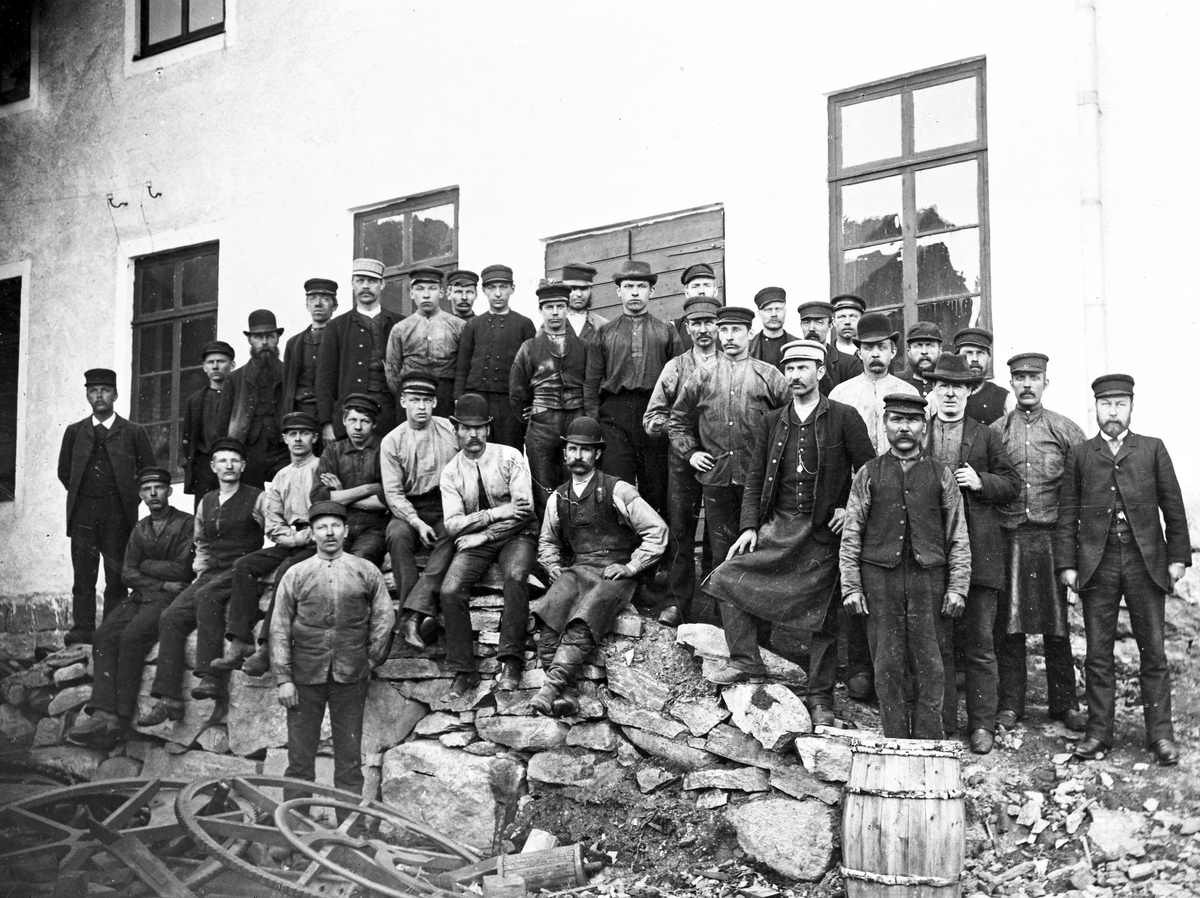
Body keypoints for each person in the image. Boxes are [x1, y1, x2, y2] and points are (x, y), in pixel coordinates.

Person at [702, 340, 874, 726]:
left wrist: (848, 508)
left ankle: (820, 696)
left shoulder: (844, 417)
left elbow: (870, 473)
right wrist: (749, 527)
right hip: (778, 527)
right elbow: (754, 477)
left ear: (821, 372)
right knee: (725, 577)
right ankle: (747, 660)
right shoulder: (773, 421)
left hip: (822, 534)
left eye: (803, 367)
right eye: (790, 368)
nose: (795, 376)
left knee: (824, 616)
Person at [1057, 374, 1189, 766]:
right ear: (1095, 408)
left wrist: (1177, 558)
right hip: (1097, 565)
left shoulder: (1151, 449)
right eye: (1106, 405)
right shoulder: (1081, 454)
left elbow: (1173, 506)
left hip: (1144, 562)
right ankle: (1099, 733)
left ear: (1131, 407)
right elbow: (1067, 514)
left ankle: (1160, 735)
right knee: (1097, 654)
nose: (1112, 412)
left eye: (1120, 404)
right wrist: (1067, 564)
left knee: (1154, 652)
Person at [840, 394, 971, 739]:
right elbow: (851, 533)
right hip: (879, 581)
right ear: (884, 425)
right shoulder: (868, 473)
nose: (904, 428)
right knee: (886, 665)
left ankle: (928, 741)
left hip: (929, 581)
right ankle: (896, 740)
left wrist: (958, 587)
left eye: (912, 421)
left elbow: (958, 535)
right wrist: (851, 586)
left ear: (923, 427)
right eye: (896, 420)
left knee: (931, 663)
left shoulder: (941, 474)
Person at [530, 417, 667, 716]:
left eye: (586, 450)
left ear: (598, 454)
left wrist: (632, 566)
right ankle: (566, 695)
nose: (578, 456)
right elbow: (547, 541)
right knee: (549, 622)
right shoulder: (558, 497)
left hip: (612, 573)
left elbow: (657, 531)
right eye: (572, 449)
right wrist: (552, 566)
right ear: (564, 453)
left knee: (582, 622)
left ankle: (549, 689)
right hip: (579, 570)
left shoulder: (618, 490)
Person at [924, 352, 1020, 754]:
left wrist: (981, 482)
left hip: (979, 554)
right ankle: (943, 721)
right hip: (931, 553)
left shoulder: (986, 436)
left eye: (958, 387)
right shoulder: (920, 433)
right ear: (933, 390)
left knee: (980, 644)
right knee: (938, 644)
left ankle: (981, 725)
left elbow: (1012, 484)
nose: (950, 393)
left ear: (969, 391)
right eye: (943, 385)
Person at [991, 353, 1087, 732]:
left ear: (1046, 382)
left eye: (1034, 377)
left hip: (1051, 539)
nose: (1027, 384)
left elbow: (1084, 486)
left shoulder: (1066, 430)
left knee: (1057, 626)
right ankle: (1010, 704)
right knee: (1009, 625)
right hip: (1010, 538)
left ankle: (1065, 704)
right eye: (1020, 378)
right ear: (1011, 383)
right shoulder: (997, 432)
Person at [139, 438, 266, 724]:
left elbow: (272, 533)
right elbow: (202, 543)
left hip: (242, 570)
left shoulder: (257, 497)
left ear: (243, 466)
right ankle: (169, 699)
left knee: (207, 596)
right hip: (211, 572)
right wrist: (200, 572)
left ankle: (211, 677)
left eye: (235, 460)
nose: (229, 466)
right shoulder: (207, 501)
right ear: (213, 466)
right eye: (222, 460)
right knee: (171, 616)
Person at [272, 501, 394, 797]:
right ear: (312, 533)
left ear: (346, 531)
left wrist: (370, 661)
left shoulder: (365, 570)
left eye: (335, 526)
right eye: (322, 527)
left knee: (349, 761)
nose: (329, 533)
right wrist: (284, 679)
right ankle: (295, 821)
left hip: (351, 678)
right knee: (299, 761)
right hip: (304, 678)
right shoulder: (296, 574)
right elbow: (279, 627)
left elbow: (384, 618)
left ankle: (350, 824)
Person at [66, 467, 194, 748]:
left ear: (169, 491)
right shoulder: (140, 528)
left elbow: (183, 568)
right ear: (140, 495)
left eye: (158, 488)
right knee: (103, 636)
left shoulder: (186, 523)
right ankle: (103, 712)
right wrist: (159, 579)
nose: (153, 493)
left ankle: (121, 715)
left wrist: (145, 567)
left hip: (168, 598)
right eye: (147, 489)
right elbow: (126, 573)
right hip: (145, 594)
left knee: (132, 637)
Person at [668, 305, 789, 569]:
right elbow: (677, 420)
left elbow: (791, 419)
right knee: (721, 552)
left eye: (736, 330)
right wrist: (691, 453)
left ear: (750, 333)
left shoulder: (769, 375)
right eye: (724, 330)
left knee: (757, 550)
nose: (730, 336)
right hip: (717, 478)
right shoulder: (702, 375)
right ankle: (717, 598)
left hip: (757, 480)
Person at [439, 394, 538, 699]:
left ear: (488, 429)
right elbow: (452, 524)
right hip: (477, 540)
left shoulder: (509, 456)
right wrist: (493, 514)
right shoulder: (451, 472)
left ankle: (511, 663)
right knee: (450, 590)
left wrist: (484, 533)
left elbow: (523, 511)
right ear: (456, 430)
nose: (473, 434)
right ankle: (464, 671)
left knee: (516, 577)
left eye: (479, 428)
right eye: (466, 428)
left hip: (516, 535)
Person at [209, 411, 322, 675]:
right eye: (292, 434)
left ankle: (266, 647)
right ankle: (240, 642)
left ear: (314, 438)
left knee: (286, 571)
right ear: (284, 439)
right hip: (290, 539)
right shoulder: (281, 476)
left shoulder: (322, 467)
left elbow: (330, 508)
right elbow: (272, 521)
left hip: (317, 540)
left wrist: (309, 535)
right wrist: (291, 538)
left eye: (304, 433)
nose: (298, 439)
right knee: (244, 565)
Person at [58, 368, 155, 645]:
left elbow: (148, 471)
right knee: (83, 574)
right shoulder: (75, 432)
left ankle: (112, 629)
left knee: (116, 575)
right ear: (87, 396)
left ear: (115, 395)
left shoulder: (133, 432)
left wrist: (129, 498)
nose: (99, 395)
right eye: (93, 390)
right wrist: (86, 495)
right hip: (83, 513)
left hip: (118, 513)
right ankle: (83, 629)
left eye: (105, 390)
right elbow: (65, 472)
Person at [642, 296, 721, 626]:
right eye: (696, 324)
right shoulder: (675, 367)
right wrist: (683, 432)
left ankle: (721, 604)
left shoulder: (732, 365)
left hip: (721, 459)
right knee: (680, 530)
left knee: (721, 532)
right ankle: (677, 603)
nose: (703, 330)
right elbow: (652, 418)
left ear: (719, 327)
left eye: (709, 323)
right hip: (682, 460)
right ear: (687, 328)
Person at [584, 259, 683, 514]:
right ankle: (620, 539)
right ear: (619, 291)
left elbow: (680, 381)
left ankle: (656, 538)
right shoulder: (604, 333)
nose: (635, 292)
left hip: (654, 412)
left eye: (641, 286)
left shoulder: (666, 331)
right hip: (615, 416)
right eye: (629, 286)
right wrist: (595, 422)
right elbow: (592, 382)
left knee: (656, 487)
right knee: (617, 485)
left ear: (652, 291)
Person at [383, 375, 460, 650]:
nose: (421, 407)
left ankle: (411, 616)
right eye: (414, 400)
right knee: (396, 534)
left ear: (435, 403)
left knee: (452, 533)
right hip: (409, 508)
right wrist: (415, 522)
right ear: (403, 402)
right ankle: (418, 614)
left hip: (445, 504)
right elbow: (393, 493)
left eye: (427, 400)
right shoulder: (392, 441)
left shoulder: (450, 429)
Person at [510, 282, 588, 520]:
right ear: (540, 310)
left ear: (567, 309)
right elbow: (517, 391)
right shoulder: (529, 347)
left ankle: (575, 539)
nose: (555, 312)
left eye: (560, 306)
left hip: (575, 423)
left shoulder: (583, 347)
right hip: (542, 426)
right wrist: (533, 415)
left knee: (577, 484)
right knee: (543, 488)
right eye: (549, 307)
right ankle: (548, 539)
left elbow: (591, 384)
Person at [317, 258, 403, 442]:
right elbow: (325, 378)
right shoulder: (336, 327)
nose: (365, 286)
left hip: (389, 417)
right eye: (360, 280)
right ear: (352, 284)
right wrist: (327, 423)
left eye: (372, 281)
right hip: (349, 417)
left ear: (382, 284)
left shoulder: (399, 323)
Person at [453, 264, 536, 449]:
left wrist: (531, 402)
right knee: (477, 449)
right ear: (483, 290)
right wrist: (459, 398)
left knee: (509, 450)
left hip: (510, 404)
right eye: (492, 288)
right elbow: (462, 366)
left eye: (503, 287)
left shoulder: (524, 324)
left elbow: (532, 369)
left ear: (512, 289)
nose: (497, 293)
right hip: (477, 399)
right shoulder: (473, 325)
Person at [310, 393, 389, 566]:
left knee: (357, 563)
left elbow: (387, 500)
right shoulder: (333, 451)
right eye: (352, 420)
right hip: (337, 525)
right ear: (344, 420)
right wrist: (368, 489)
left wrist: (341, 496)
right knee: (326, 564)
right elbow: (318, 497)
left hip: (374, 527)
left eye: (365, 421)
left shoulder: (385, 449)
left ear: (374, 424)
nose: (358, 427)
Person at [829, 312, 922, 454]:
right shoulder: (840, 394)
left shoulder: (909, 392)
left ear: (893, 352)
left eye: (882, 347)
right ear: (859, 353)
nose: (875, 353)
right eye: (868, 347)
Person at [217, 310, 288, 489]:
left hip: (283, 450)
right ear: (250, 340)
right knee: (251, 500)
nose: (264, 342)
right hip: (248, 450)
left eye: (269, 336)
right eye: (258, 337)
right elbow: (223, 423)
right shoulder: (234, 379)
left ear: (277, 338)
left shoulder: (289, 373)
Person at [385, 266, 465, 419]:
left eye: (432, 289)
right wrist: (406, 395)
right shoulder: (400, 328)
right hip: (412, 394)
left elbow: (464, 367)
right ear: (411, 293)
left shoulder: (458, 326)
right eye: (420, 289)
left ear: (441, 292)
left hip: (446, 395)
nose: (426, 295)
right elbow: (392, 371)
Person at [182, 341, 235, 509]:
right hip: (205, 469)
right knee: (205, 513)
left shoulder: (239, 397)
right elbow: (188, 439)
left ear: (232, 365)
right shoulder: (195, 401)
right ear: (204, 367)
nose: (215, 366)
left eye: (221, 361)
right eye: (211, 362)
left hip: (234, 465)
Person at [282, 277, 338, 420]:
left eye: (325, 299)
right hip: (300, 413)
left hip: (332, 413)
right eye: (312, 299)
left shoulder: (342, 338)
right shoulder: (293, 344)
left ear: (335, 306)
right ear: (307, 305)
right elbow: (288, 385)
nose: (318, 304)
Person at [953, 327, 1015, 426]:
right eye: (968, 353)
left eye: (980, 353)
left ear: (989, 358)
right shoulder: (942, 394)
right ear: (957, 357)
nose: (975, 359)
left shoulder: (1003, 397)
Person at [747, 286, 797, 369]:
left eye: (778, 309)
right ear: (759, 314)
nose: (774, 314)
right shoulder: (747, 347)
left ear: (785, 311)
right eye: (768, 310)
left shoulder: (798, 345)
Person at [795, 300, 837, 395]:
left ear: (830, 326)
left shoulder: (848, 364)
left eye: (819, 322)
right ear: (801, 325)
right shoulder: (790, 363)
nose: (811, 328)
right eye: (806, 322)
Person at [560, 262, 608, 341]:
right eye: (573, 288)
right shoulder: (552, 325)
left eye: (584, 288)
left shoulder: (602, 326)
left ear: (590, 290)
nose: (579, 294)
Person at [828, 294, 866, 387]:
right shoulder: (827, 357)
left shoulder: (872, 354)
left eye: (853, 316)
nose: (847, 322)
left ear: (861, 321)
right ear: (833, 322)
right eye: (841, 317)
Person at [898, 322, 943, 398]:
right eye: (918, 346)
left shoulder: (948, 385)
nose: (924, 351)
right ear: (909, 352)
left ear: (940, 351)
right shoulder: (899, 385)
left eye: (929, 345)